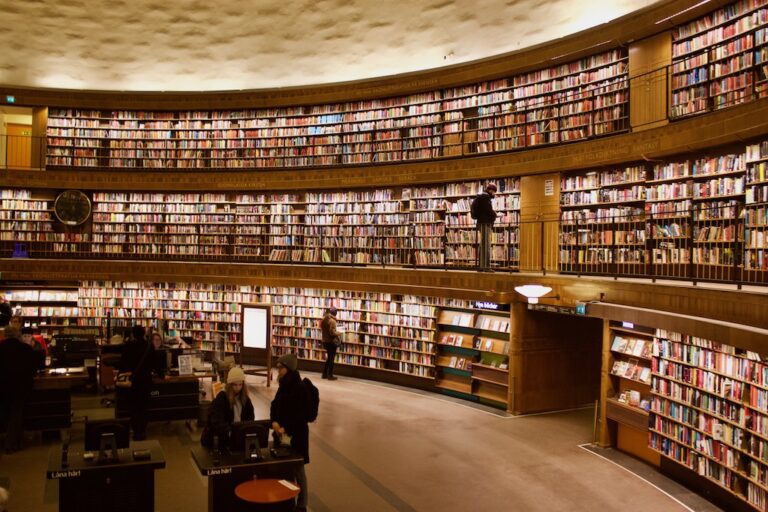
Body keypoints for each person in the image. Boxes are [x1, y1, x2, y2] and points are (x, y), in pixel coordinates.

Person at [271, 353, 310, 512]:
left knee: (298, 470)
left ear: (288, 369)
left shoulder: (299, 388)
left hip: (297, 436)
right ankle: (288, 501)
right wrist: (274, 421)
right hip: (281, 433)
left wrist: (285, 428)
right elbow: (275, 404)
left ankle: (301, 505)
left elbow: (301, 416)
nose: (278, 370)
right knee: (285, 469)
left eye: (281, 368)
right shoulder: (283, 385)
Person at [0, 325, 40, 453]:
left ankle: (13, 440)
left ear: (5, 335)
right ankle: (11, 444)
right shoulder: (25, 349)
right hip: (20, 386)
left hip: (2, 386)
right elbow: (33, 369)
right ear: (18, 335)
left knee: (7, 413)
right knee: (16, 413)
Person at [200, 366, 254, 448]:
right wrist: (230, 431)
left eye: (240, 385)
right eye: (235, 385)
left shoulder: (245, 398)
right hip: (222, 439)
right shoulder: (222, 398)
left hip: (237, 437)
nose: (238, 388)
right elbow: (216, 421)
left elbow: (250, 418)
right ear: (229, 385)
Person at [118, 325, 155, 441]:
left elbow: (123, 362)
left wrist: (120, 374)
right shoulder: (149, 346)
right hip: (145, 380)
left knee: (133, 406)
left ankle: (135, 430)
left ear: (133, 334)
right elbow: (154, 362)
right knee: (144, 406)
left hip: (133, 380)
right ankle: (142, 431)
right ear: (144, 333)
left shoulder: (128, 346)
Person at [470, 183, 498, 271]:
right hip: (485, 224)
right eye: (494, 192)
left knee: (483, 245)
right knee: (486, 245)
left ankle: (481, 266)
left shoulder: (481, 197)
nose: (494, 194)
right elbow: (488, 210)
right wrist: (496, 214)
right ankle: (486, 267)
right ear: (490, 190)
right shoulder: (486, 198)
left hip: (481, 223)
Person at [320, 307, 340, 380]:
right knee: (331, 359)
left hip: (325, 341)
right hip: (331, 342)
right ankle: (330, 375)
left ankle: (324, 374)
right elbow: (332, 333)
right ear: (335, 313)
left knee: (329, 358)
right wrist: (339, 333)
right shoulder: (332, 321)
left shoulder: (325, 319)